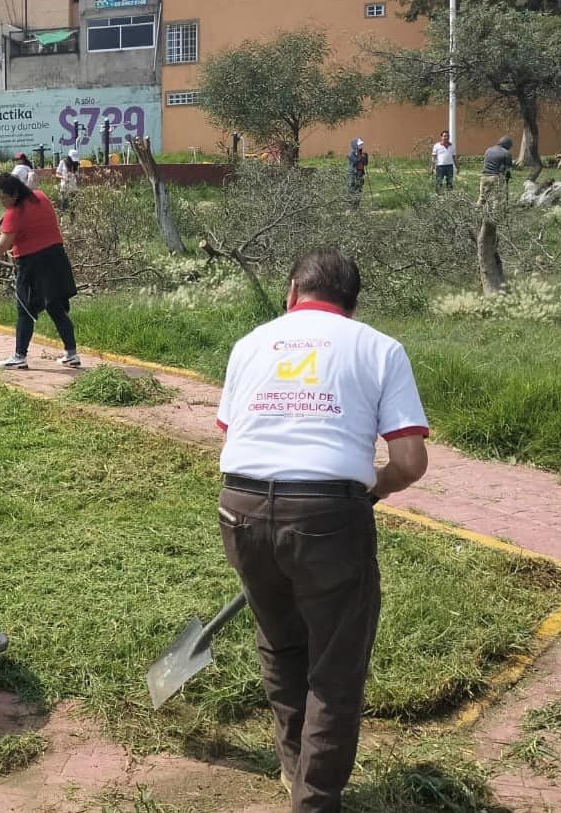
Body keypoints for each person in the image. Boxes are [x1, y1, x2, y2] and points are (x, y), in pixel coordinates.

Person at [215, 248, 429, 812]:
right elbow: (409, 461)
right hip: (329, 516)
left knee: (281, 643)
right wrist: (374, 488)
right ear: (351, 307)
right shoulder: (379, 348)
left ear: (292, 293)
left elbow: (234, 434)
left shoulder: (249, 344)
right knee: (334, 666)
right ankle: (314, 801)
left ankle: (295, 769)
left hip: (240, 509)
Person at [0, 172, 79, 370]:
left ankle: (20, 356)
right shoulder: (41, 197)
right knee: (55, 307)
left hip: (32, 264)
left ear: (16, 195)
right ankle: (72, 354)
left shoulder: (13, 215)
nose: (1, 201)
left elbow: (2, 246)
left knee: (24, 309)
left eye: (4, 197)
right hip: (56, 258)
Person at [479, 136, 515, 207]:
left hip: (484, 176)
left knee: (482, 198)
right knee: (497, 199)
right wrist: (508, 177)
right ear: (507, 144)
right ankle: (495, 216)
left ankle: (476, 212)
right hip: (496, 178)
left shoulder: (488, 150)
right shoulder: (506, 153)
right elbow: (507, 169)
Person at [54, 150, 80, 218]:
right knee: (63, 206)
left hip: (73, 188)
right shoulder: (63, 162)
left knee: (73, 207)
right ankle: (62, 222)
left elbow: (77, 175)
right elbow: (57, 174)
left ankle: (72, 223)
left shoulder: (76, 164)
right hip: (65, 187)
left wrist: (76, 175)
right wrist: (63, 177)